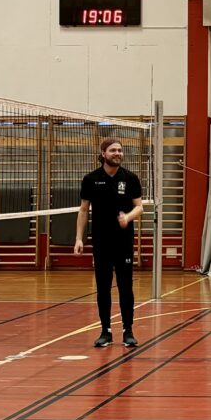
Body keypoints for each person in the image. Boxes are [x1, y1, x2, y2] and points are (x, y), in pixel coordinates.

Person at [75, 137, 144, 348]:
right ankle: (105, 331)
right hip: (101, 242)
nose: (118, 153)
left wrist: (128, 218)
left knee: (125, 287)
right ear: (103, 153)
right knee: (103, 287)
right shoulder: (91, 179)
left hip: (123, 242)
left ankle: (128, 331)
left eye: (120, 150)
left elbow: (139, 207)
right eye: (113, 150)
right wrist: (79, 238)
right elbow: (84, 210)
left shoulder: (130, 178)